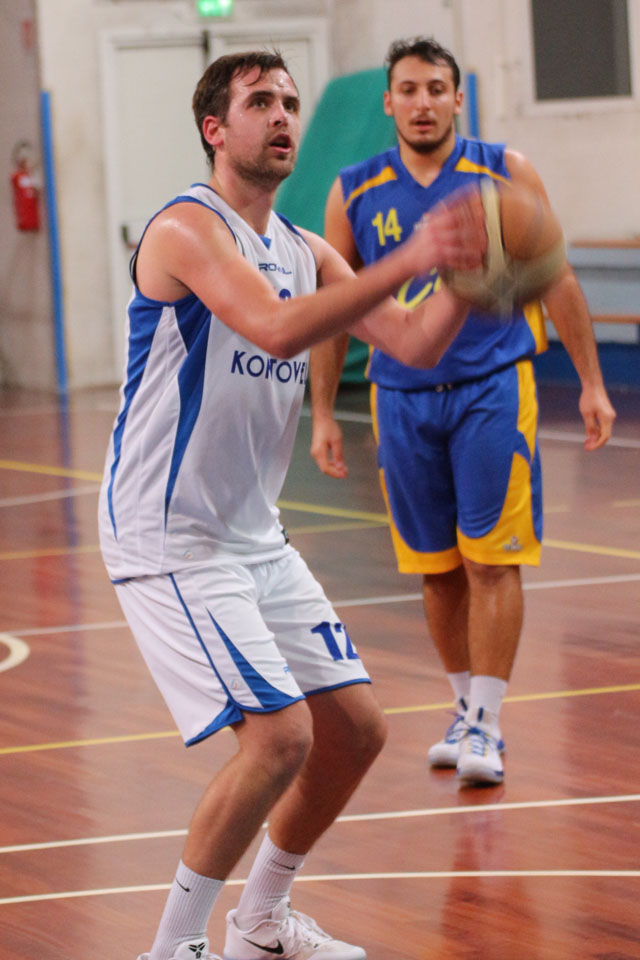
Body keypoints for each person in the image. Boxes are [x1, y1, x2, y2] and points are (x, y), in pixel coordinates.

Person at [98, 50, 487, 960]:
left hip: (251, 534)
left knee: (355, 732)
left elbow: (410, 341)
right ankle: (174, 947)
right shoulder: (184, 229)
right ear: (214, 129)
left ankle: (261, 922)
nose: (282, 115)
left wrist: (474, 278)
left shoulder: (305, 249)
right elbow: (274, 328)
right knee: (278, 740)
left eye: (289, 101)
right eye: (259, 101)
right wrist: (414, 255)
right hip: (170, 534)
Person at [310, 37, 616, 789]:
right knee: (438, 570)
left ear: (457, 98)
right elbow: (335, 307)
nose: (422, 103)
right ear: (388, 101)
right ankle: (461, 709)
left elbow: (556, 278)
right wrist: (322, 412)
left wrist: (591, 381)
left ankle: (487, 721)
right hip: (400, 398)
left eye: (435, 88)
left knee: (491, 559)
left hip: (492, 388)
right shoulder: (353, 190)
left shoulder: (505, 174)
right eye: (408, 89)